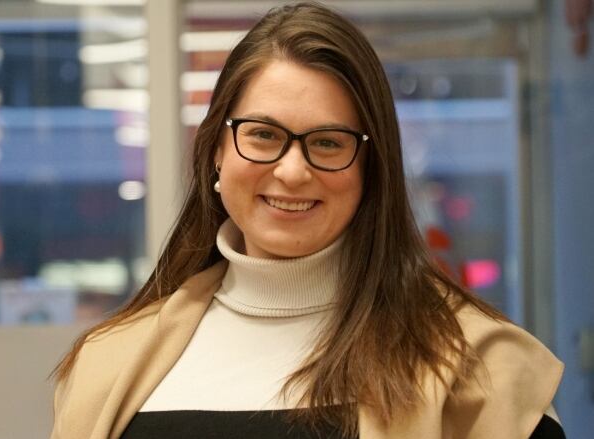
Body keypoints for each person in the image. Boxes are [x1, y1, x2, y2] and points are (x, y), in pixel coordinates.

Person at [49, 3, 564, 438]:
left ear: (371, 168)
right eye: (263, 134)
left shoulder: (476, 370)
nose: (292, 171)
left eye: (327, 143)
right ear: (215, 151)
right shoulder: (109, 362)